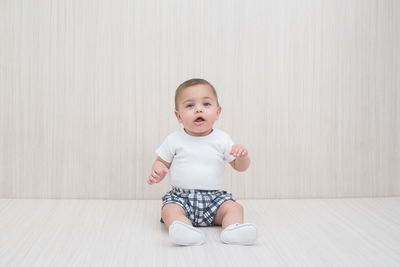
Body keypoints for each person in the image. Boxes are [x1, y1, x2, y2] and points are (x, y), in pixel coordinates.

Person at [148, 78, 258, 246]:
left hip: (214, 200)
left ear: (218, 112)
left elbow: (239, 167)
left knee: (235, 208)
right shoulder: (174, 140)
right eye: (190, 106)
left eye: (206, 104)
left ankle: (232, 229)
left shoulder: (222, 139)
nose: (198, 109)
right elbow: (161, 162)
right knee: (168, 210)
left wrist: (243, 157)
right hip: (181, 198)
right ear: (178, 116)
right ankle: (183, 229)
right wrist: (158, 169)